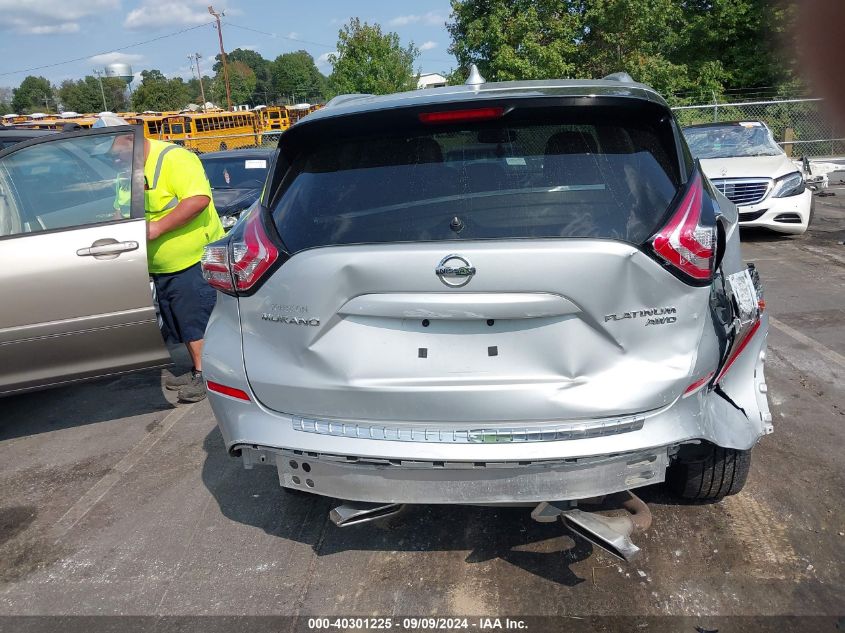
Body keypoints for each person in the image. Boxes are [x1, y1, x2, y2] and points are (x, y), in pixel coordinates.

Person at [95, 115, 225, 402]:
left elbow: (197, 200)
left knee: (194, 319)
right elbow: (122, 210)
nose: (112, 161)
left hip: (191, 258)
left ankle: (207, 376)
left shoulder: (175, 158)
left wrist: (156, 228)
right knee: (177, 320)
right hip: (159, 265)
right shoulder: (127, 172)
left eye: (112, 153)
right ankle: (196, 368)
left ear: (129, 139)